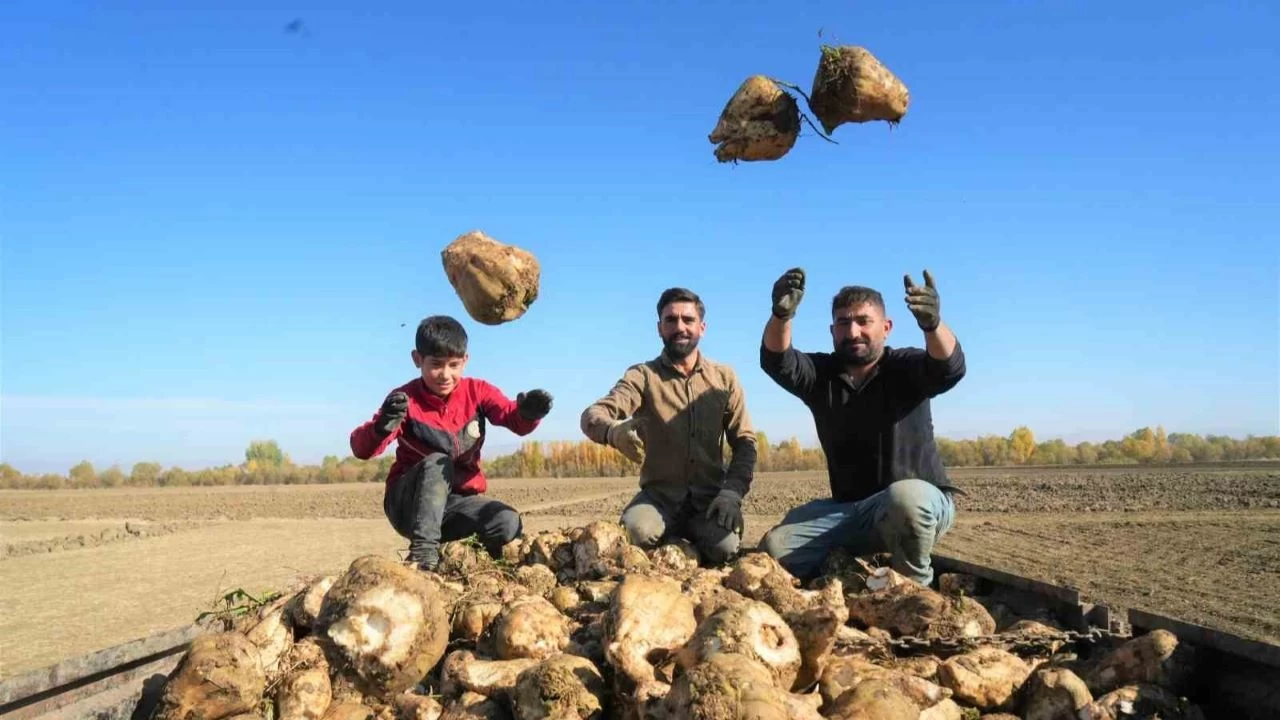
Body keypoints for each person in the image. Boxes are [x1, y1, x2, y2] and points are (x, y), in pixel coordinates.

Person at [757, 267, 966, 586]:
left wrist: (932, 324)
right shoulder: (820, 375)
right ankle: (850, 576)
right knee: (776, 549)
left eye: (863, 321)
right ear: (832, 331)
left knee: (905, 500)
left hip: (916, 503)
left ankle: (915, 590)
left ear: (887, 327)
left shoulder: (905, 367)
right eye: (844, 323)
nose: (853, 332)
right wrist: (781, 316)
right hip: (851, 510)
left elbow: (949, 367)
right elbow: (776, 361)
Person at [350, 315, 553, 571]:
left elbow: (512, 419)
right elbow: (361, 449)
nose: (446, 375)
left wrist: (528, 414)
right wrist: (380, 427)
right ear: (417, 360)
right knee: (438, 463)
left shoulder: (478, 392)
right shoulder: (404, 400)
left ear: (465, 361)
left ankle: (464, 565)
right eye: (436, 364)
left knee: (506, 523)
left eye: (454, 365)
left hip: (455, 504)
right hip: (408, 504)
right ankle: (423, 557)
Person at [580, 287, 758, 564]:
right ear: (659, 328)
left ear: (702, 327)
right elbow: (594, 414)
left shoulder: (725, 378)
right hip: (658, 500)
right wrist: (613, 432)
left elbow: (745, 442)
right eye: (670, 320)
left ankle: (684, 545)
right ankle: (672, 545)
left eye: (688, 320)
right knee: (634, 533)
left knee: (725, 546)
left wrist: (732, 493)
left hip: (709, 502)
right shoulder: (643, 375)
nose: (680, 327)